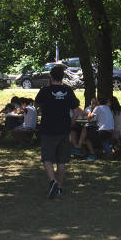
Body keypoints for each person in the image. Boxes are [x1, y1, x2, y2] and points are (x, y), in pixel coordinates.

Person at [34, 63, 80, 199]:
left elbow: (36, 105)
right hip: (64, 130)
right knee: (62, 161)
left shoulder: (44, 91)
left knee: (47, 158)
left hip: (48, 129)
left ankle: (52, 181)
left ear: (51, 77)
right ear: (62, 77)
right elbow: (76, 112)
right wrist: (70, 124)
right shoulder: (68, 91)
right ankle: (59, 187)